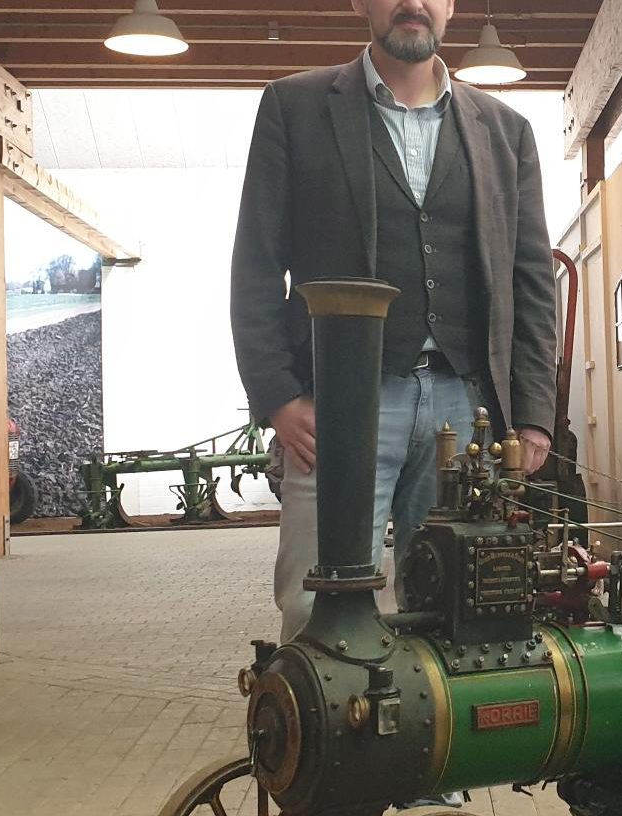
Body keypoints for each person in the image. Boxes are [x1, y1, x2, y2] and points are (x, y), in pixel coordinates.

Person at [232, 0, 557, 645]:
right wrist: (277, 395)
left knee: (459, 609)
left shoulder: (506, 130)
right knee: (315, 607)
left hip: (469, 411)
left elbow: (531, 281)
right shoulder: (294, 108)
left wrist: (535, 412)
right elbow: (256, 261)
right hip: (339, 407)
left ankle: (436, 745)